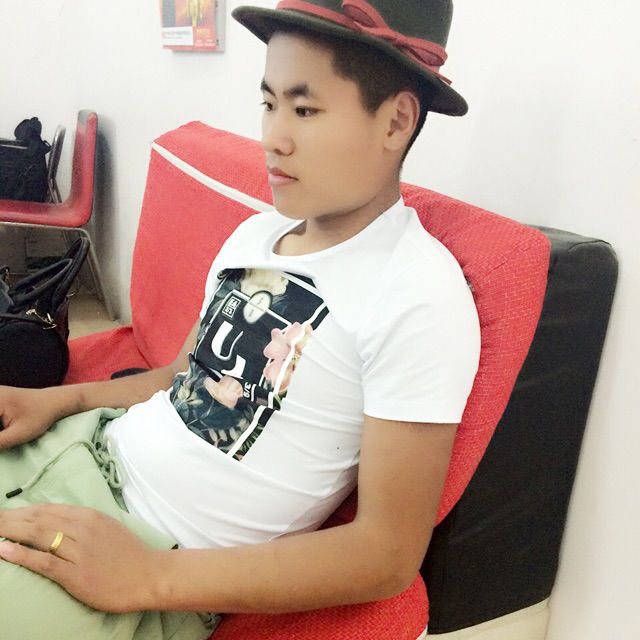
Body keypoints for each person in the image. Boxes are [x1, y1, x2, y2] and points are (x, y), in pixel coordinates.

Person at [0, 1, 480, 638]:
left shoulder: (419, 295)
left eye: (304, 110)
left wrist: (148, 575)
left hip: (147, 546)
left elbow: (386, 553)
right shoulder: (255, 235)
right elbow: (179, 378)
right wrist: (55, 401)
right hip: (82, 446)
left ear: (395, 121)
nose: (272, 137)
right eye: (268, 103)